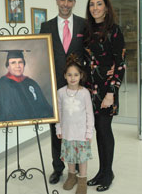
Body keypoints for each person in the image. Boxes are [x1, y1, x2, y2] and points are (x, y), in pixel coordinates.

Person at [39, 0, 85, 184]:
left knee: (75, 129)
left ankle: (74, 171)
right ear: (57, 0)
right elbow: (41, 58)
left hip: (77, 87)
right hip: (55, 87)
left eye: (70, 0)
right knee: (57, 129)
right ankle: (58, 169)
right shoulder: (46, 27)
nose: (66, 4)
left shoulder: (84, 25)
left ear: (74, 2)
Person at [84, 0, 126, 192]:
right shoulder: (88, 31)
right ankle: (101, 171)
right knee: (98, 132)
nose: (95, 8)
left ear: (106, 8)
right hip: (90, 90)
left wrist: (111, 93)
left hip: (107, 91)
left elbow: (121, 64)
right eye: (92, 4)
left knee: (104, 129)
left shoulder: (115, 31)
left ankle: (108, 173)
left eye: (99, 4)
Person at [56, 54, 94, 194]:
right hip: (67, 132)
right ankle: (71, 176)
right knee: (70, 156)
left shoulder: (84, 93)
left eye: (76, 75)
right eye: (70, 75)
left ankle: (82, 179)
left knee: (82, 158)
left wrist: (89, 131)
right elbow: (59, 112)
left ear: (81, 76)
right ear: (65, 76)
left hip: (81, 133)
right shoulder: (60, 93)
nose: (73, 78)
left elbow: (89, 113)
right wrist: (58, 127)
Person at [0, 50, 53, 122]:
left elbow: (44, 107)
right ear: (8, 66)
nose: (17, 66)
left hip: (34, 124)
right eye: (13, 63)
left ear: (24, 64)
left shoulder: (31, 83)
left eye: (20, 62)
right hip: (11, 126)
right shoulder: (0, 85)